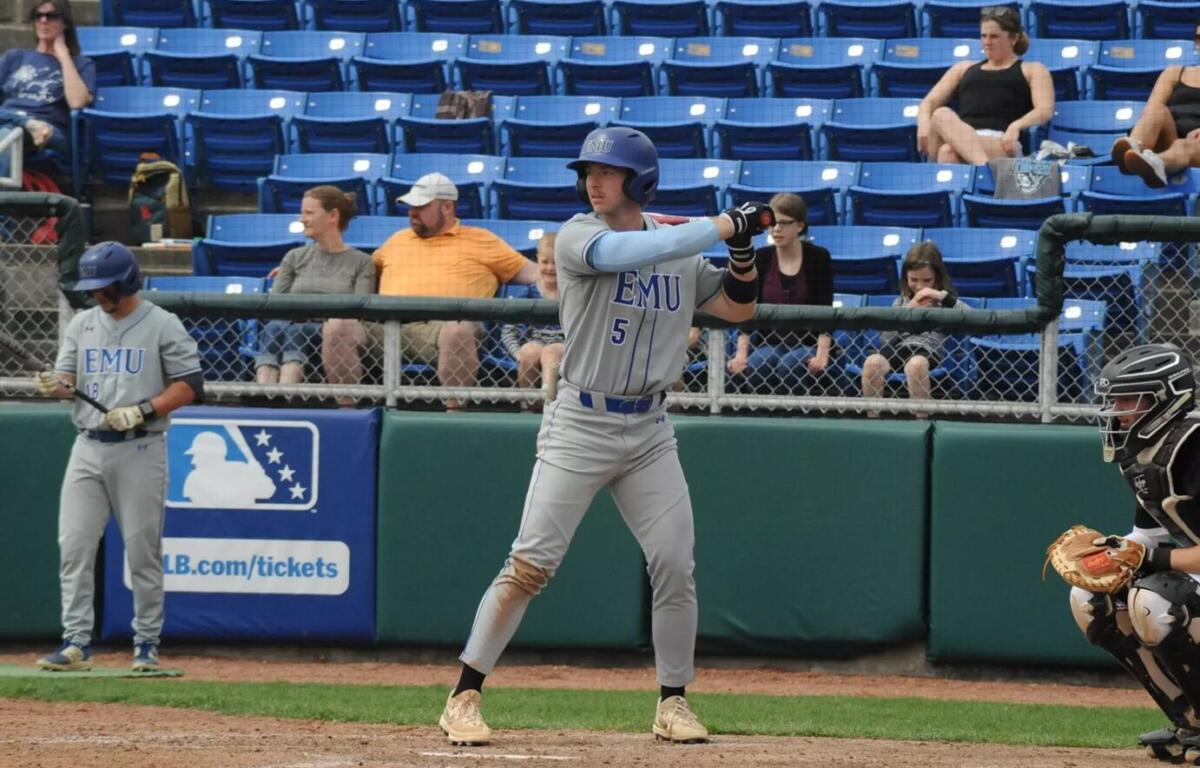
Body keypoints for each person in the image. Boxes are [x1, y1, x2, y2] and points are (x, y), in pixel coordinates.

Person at [436, 126, 774, 747]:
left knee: (675, 562)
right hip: (581, 422)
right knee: (531, 563)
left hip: (649, 428)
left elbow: (737, 307)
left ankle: (673, 702)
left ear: (637, 181)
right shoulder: (577, 235)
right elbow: (621, 257)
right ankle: (464, 694)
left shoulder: (675, 248)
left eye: (608, 172)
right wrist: (727, 223)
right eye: (588, 171)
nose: (593, 181)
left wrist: (747, 249)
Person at [33, 242, 203, 672]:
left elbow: (190, 385)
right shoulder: (83, 323)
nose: (95, 296)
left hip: (141, 447)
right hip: (87, 445)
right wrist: (55, 384)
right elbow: (67, 378)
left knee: (142, 551)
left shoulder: (163, 324)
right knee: (74, 545)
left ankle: (146, 645)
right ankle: (75, 642)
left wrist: (144, 409)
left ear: (125, 282)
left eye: (102, 288)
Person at [1065, 343, 1200, 761]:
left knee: (1157, 599)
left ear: (1165, 398)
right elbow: (1148, 538)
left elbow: (1157, 557)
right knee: (1093, 597)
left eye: (1128, 399)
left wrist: (1150, 562)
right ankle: (1192, 722)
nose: (1117, 410)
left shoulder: (1195, 447)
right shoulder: (1149, 455)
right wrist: (1111, 553)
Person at [373, 172, 539, 411]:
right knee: (339, 326)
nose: (412, 213)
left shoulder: (480, 240)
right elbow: (368, 272)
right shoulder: (397, 239)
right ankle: (346, 411)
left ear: (447, 207)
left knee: (457, 329)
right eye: (410, 206)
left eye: (421, 206)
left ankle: (454, 412)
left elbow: (536, 274)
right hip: (389, 328)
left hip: (445, 329)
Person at [255, 186, 374, 401]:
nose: (302, 219)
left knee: (295, 332)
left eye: (309, 213)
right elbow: (276, 304)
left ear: (333, 215)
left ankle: (283, 398)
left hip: (332, 330)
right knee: (274, 327)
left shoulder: (362, 262)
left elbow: (359, 310)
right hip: (292, 322)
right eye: (302, 213)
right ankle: (265, 397)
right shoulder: (294, 257)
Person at [917, 6, 1054, 165]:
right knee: (940, 114)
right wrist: (923, 124)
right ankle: (987, 169)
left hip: (1001, 142)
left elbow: (1044, 110)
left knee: (948, 152)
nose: (987, 42)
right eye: (983, 36)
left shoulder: (1033, 69)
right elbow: (929, 102)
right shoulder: (963, 68)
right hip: (960, 134)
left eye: (994, 36)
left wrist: (1016, 126)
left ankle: (977, 174)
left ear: (1013, 38)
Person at [726, 193, 833, 394]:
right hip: (771, 342)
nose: (776, 229)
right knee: (757, 364)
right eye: (773, 223)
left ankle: (800, 414)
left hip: (808, 343)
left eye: (784, 223)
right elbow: (748, 308)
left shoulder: (819, 257)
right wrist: (741, 354)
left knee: (790, 365)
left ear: (799, 226)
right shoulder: (761, 258)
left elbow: (825, 308)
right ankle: (763, 414)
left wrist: (822, 353)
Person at [860, 242, 961, 417]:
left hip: (927, 351)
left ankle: (921, 420)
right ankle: (872, 419)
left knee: (915, 365)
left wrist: (941, 297)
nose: (920, 286)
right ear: (905, 278)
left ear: (937, 278)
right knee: (872, 362)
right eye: (914, 280)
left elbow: (973, 316)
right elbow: (886, 338)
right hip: (897, 349)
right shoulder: (900, 302)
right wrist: (909, 311)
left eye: (926, 280)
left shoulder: (945, 303)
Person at [0, 0, 95, 174]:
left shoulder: (81, 64)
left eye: (51, 16)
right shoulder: (14, 57)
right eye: (38, 16)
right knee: (8, 131)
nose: (43, 21)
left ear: (65, 23)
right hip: (9, 120)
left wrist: (64, 56)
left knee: (9, 135)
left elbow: (77, 103)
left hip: (47, 131)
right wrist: (26, 122)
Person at [1111, 24, 1200, 189]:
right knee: (1156, 110)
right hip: (1169, 137)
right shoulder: (1175, 72)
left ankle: (1154, 163)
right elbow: (1150, 109)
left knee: (1183, 146)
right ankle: (1133, 150)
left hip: (1196, 146)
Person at [499, 232, 564, 404]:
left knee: (551, 352)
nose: (550, 268)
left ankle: (547, 402)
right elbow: (508, 332)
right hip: (536, 344)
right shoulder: (528, 293)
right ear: (537, 260)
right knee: (531, 350)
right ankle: (526, 403)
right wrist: (517, 352)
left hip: (565, 348)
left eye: (556, 263)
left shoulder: (573, 294)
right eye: (545, 262)